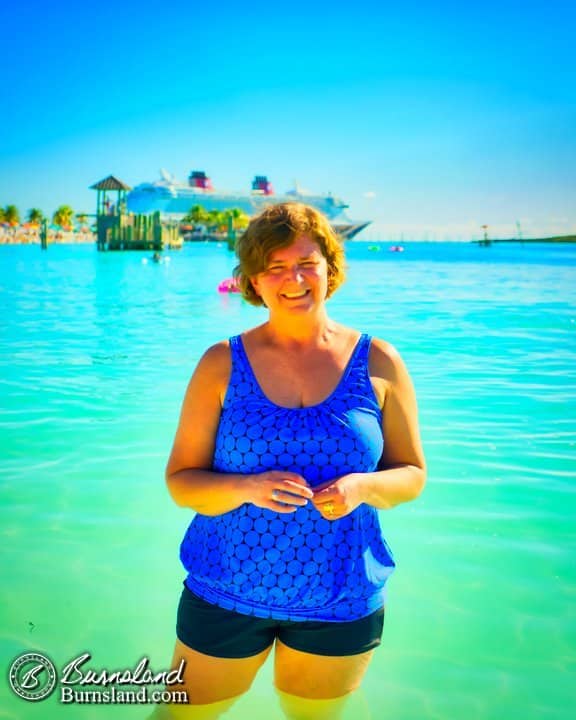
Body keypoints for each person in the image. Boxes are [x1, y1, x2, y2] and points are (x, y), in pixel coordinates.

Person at [161, 202, 426, 719]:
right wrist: (246, 488)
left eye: (307, 262)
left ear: (331, 266)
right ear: (253, 281)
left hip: (343, 596)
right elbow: (180, 482)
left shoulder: (380, 362)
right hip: (224, 590)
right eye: (275, 267)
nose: (294, 279)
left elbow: (412, 475)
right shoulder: (220, 363)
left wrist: (362, 489)